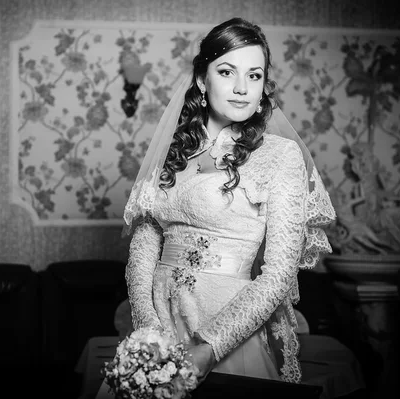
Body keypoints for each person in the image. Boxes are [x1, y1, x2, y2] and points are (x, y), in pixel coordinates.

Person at [122, 17, 336, 387]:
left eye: (254, 76)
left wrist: (209, 345)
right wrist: (149, 330)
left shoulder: (280, 155)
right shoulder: (173, 152)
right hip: (160, 321)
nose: (242, 88)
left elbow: (279, 274)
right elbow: (144, 243)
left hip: (225, 326)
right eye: (227, 72)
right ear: (203, 80)